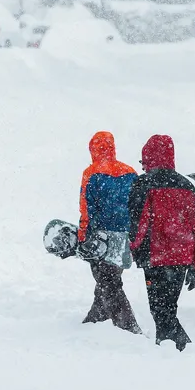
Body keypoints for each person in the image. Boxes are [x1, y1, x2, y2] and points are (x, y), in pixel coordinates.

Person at [128, 134, 195, 351]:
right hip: (181, 257)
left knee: (160, 310)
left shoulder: (143, 184)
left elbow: (138, 223)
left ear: (149, 157)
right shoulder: (187, 186)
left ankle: (179, 350)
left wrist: (133, 248)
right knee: (168, 308)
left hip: (155, 257)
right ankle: (169, 349)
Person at [78, 131, 141, 334]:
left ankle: (128, 326)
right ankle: (97, 316)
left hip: (101, 235)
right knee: (109, 276)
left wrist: (83, 234)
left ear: (93, 149)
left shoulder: (91, 173)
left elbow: (86, 207)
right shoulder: (130, 171)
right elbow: (138, 204)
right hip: (125, 235)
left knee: (108, 281)